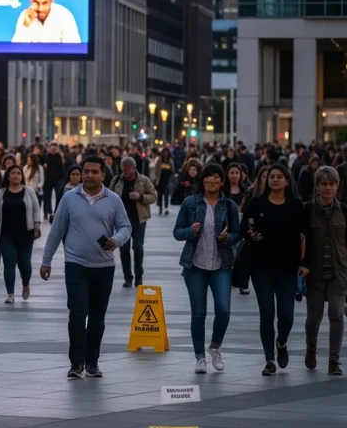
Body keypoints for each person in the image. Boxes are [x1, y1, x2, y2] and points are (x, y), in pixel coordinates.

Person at [40, 155, 132, 379]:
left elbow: (125, 226)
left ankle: (92, 362)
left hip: (104, 266)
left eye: (94, 172)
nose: (89, 176)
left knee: (97, 318)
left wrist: (116, 241)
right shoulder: (69, 198)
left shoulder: (113, 200)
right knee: (77, 312)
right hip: (76, 264)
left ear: (103, 174)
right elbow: (56, 231)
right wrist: (46, 260)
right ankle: (76, 363)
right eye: (86, 171)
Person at [173, 164, 240, 375]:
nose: (212, 181)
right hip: (195, 265)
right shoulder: (190, 203)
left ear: (222, 182)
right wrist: (189, 231)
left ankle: (215, 347)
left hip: (221, 264)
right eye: (208, 178)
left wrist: (227, 238)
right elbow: (177, 232)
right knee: (198, 313)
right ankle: (199, 357)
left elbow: (238, 234)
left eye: (216, 178)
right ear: (202, 180)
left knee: (223, 309)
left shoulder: (229, 206)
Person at [241, 164, 305, 376]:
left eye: (279, 177)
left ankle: (281, 342)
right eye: (271, 177)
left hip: (287, 267)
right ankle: (269, 359)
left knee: (286, 315)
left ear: (287, 181)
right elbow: (244, 227)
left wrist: (305, 263)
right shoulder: (257, 202)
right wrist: (251, 235)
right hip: (261, 266)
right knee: (266, 313)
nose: (275, 180)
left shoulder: (296, 205)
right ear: (266, 181)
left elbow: (306, 235)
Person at [300, 166, 347, 376]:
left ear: (337, 186)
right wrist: (301, 263)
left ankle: (334, 361)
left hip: (339, 273)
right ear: (317, 186)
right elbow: (300, 240)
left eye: (332, 184)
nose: (328, 188)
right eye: (324, 184)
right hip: (315, 274)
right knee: (313, 318)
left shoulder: (344, 210)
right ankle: (311, 348)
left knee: (336, 315)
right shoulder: (307, 209)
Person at [0, 165, 41, 304]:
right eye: (13, 173)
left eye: (18, 173)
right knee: (9, 263)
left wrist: (37, 225)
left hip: (25, 235)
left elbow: (36, 210)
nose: (16, 175)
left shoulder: (29, 192)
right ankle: (10, 294)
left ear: (22, 176)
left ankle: (26, 284)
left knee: (24, 264)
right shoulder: (2, 193)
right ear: (8, 176)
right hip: (6, 235)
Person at [109, 156, 157, 288]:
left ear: (133, 168)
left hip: (139, 220)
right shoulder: (117, 180)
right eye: (123, 169)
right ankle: (128, 278)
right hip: (122, 222)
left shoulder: (143, 180)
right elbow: (109, 196)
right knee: (124, 249)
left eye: (127, 169)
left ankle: (139, 277)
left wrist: (140, 196)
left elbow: (153, 196)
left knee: (138, 247)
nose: (124, 171)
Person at [12, 0, 82, 44]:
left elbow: (74, 47)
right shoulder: (25, 15)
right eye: (36, 3)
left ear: (52, 1)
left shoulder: (64, 15)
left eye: (44, 3)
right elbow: (16, 49)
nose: (40, 9)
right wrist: (25, 25)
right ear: (31, 1)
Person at [152, 149, 175, 216]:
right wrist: (155, 179)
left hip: (167, 181)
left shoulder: (170, 161)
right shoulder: (159, 160)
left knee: (166, 194)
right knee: (160, 195)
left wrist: (168, 168)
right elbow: (156, 170)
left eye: (167, 152)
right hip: (160, 180)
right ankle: (160, 207)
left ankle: (166, 208)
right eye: (164, 152)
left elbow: (173, 170)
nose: (165, 154)